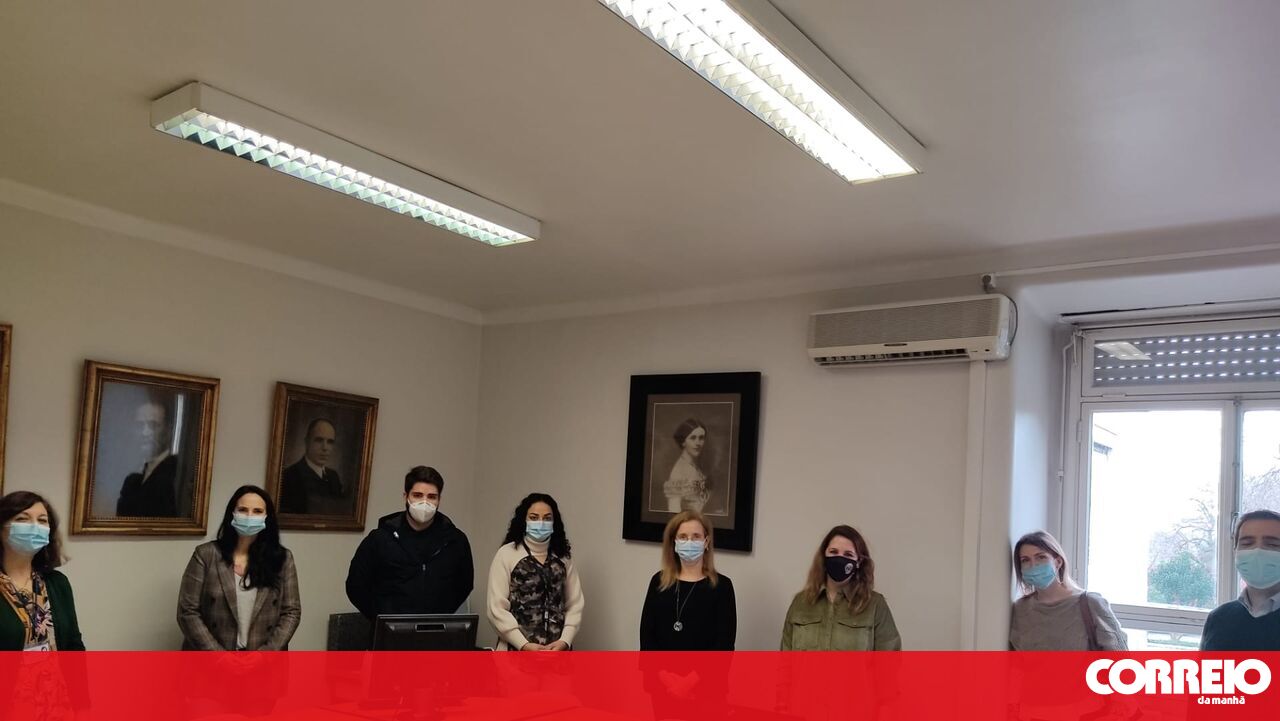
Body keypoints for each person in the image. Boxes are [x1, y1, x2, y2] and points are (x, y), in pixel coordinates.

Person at [176, 485, 301, 650]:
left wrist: (264, 654)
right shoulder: (206, 555)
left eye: (257, 511)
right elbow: (187, 612)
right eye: (242, 510)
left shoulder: (283, 559)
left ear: (267, 517)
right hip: (210, 659)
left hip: (265, 660)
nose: (249, 516)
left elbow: (291, 612)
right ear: (232, 514)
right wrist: (220, 657)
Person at [639, 511, 735, 720]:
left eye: (696, 537)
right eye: (683, 537)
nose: (689, 542)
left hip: (706, 691)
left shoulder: (722, 587)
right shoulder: (658, 582)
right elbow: (647, 636)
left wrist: (689, 682)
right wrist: (666, 678)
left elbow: (724, 644)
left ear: (706, 542)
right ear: (674, 542)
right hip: (663, 689)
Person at [346, 466, 474, 620]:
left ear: (439, 500)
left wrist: (441, 615)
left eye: (432, 497)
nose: (424, 502)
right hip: (389, 629)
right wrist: (381, 617)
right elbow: (356, 585)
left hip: (436, 629)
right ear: (406, 496)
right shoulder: (380, 539)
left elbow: (465, 584)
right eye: (417, 495)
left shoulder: (455, 541)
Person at [487, 493, 584, 651]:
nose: (541, 523)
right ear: (524, 520)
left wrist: (565, 640)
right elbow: (496, 608)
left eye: (547, 518)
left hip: (557, 654)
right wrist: (523, 644)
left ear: (554, 522)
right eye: (534, 517)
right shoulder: (507, 554)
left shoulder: (563, 558)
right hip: (515, 652)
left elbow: (575, 604)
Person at [780, 525, 901, 650]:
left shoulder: (875, 605)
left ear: (858, 562)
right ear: (824, 556)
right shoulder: (800, 602)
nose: (839, 559)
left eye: (848, 554)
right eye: (833, 552)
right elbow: (785, 657)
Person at [1008, 530, 1127, 650]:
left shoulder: (1091, 603)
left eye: (1041, 557)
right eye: (1025, 560)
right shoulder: (1020, 609)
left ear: (1058, 562)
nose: (1033, 565)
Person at [0, 491, 85, 651]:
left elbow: (73, 642)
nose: (35, 527)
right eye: (22, 519)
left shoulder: (57, 582)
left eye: (42, 520)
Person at [1201, 509, 1280, 650]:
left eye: (1272, 544)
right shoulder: (1218, 618)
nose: (1257, 552)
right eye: (1247, 543)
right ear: (1235, 551)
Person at [116, 394, 179, 517]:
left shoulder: (176, 472)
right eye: (140, 425)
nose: (145, 432)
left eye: (153, 425)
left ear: (168, 430)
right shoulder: (132, 479)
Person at [279, 418, 343, 514]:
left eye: (330, 442)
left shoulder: (334, 477)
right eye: (319, 440)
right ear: (307, 441)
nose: (325, 448)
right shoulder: (289, 476)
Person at [663, 418, 710, 513]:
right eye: (693, 438)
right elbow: (674, 510)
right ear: (683, 442)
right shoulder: (678, 471)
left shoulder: (694, 466)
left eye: (701, 438)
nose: (698, 443)